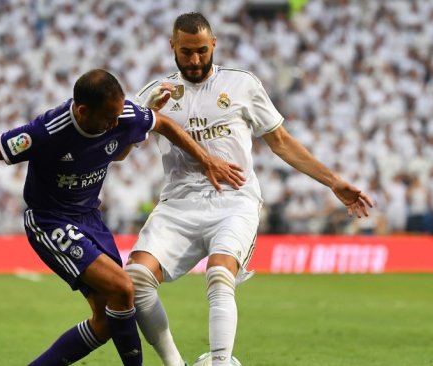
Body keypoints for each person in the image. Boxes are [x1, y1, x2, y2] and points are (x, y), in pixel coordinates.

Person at [0, 69, 245, 366]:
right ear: (83, 110)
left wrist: (205, 160)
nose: (116, 122)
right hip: (51, 220)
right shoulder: (47, 131)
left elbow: (156, 127)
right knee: (124, 287)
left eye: (118, 116)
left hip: (90, 217)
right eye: (109, 118)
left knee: (105, 323)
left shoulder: (122, 114)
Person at [125, 13, 373, 366]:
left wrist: (333, 181)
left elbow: (281, 142)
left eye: (200, 51)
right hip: (178, 203)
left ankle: (221, 361)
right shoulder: (155, 92)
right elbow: (120, 149)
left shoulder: (242, 85)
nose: (194, 60)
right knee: (135, 278)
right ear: (172, 48)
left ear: (214, 45)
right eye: (185, 52)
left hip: (234, 199)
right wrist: (146, 113)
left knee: (220, 272)